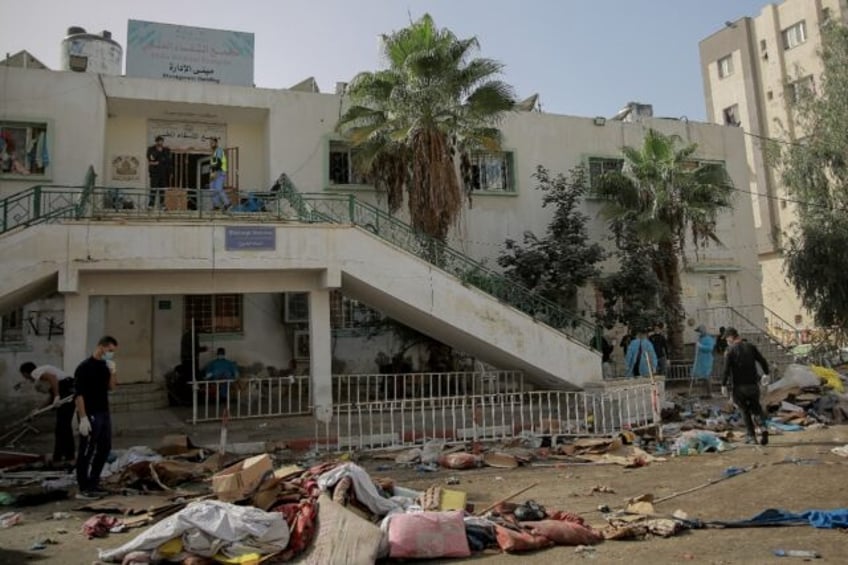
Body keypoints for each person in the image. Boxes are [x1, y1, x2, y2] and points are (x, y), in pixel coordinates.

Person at [74, 335, 118, 500]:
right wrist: (83, 417)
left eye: (113, 352)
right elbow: (79, 394)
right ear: (101, 347)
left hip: (104, 411)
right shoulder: (84, 367)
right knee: (86, 450)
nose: (111, 354)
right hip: (90, 413)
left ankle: (94, 482)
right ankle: (84, 487)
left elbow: (112, 388)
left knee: (104, 448)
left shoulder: (105, 366)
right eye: (110, 350)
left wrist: (113, 371)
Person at [19, 362, 76, 465]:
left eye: (24, 376)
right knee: (63, 427)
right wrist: (38, 409)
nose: (26, 379)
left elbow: (52, 378)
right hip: (69, 388)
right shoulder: (50, 380)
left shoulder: (35, 373)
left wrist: (58, 396)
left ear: (25, 373)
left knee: (63, 427)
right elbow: (51, 397)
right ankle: (63, 456)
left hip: (66, 389)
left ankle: (64, 457)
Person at [722, 327, 770, 445]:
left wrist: (723, 384)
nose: (726, 341)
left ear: (730, 337)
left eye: (726, 339)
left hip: (739, 387)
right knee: (756, 408)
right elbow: (762, 360)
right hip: (753, 385)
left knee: (744, 411)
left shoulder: (730, 350)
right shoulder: (751, 346)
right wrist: (766, 373)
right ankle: (763, 428)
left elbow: (726, 369)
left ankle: (751, 436)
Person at [146, 135, 171, 208]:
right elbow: (151, 158)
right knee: (153, 189)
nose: (160, 143)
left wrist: (159, 161)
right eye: (158, 142)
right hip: (154, 173)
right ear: (156, 142)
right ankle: (151, 205)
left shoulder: (166, 150)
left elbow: (167, 160)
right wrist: (157, 151)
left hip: (163, 173)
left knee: (162, 190)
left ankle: (162, 205)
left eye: (161, 142)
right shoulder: (151, 149)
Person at [691, 325, 716, 392]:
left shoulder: (708, 338)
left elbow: (710, 348)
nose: (698, 333)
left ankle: (709, 393)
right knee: (702, 377)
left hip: (706, 360)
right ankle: (704, 393)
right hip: (701, 360)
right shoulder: (700, 339)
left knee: (707, 377)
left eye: (699, 331)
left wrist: (700, 346)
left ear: (702, 331)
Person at [208, 137, 229, 211]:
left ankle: (227, 203)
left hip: (220, 171)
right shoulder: (214, 152)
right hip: (214, 172)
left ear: (216, 143)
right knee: (212, 189)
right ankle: (216, 205)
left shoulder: (219, 150)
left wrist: (215, 171)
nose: (211, 144)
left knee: (218, 188)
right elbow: (214, 164)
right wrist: (212, 172)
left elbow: (219, 163)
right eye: (210, 143)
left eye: (212, 143)